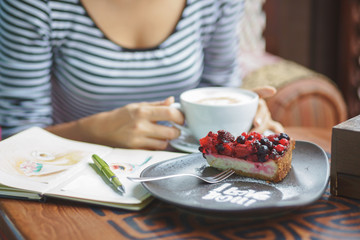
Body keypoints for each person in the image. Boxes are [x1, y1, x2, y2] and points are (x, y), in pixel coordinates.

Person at [0, 0, 283, 150]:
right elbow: (18, 140)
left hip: (186, 177)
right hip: (75, 178)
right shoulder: (34, 4)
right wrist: (95, 132)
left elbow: (219, 85)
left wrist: (243, 114)